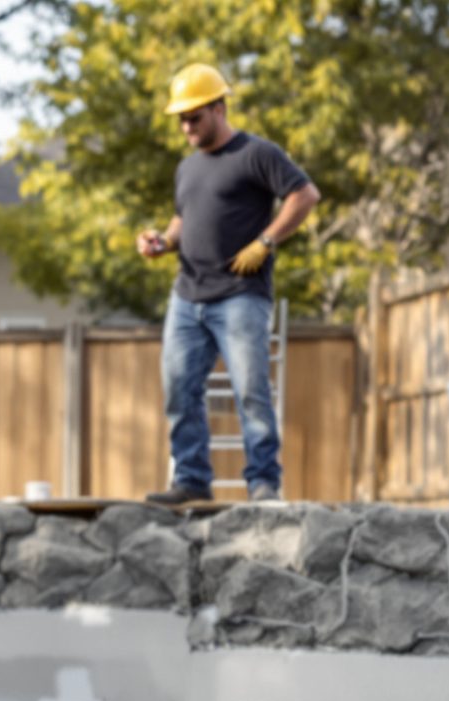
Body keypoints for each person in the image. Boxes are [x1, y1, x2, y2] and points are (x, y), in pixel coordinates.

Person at [138, 64, 319, 506]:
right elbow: (183, 219)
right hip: (187, 296)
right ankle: (191, 479)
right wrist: (162, 242)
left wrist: (266, 241)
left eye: (194, 117)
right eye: (181, 119)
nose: (186, 127)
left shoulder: (257, 154)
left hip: (240, 296)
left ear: (219, 109)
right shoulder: (187, 168)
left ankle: (263, 483)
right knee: (179, 390)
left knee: (251, 392)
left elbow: (305, 195)